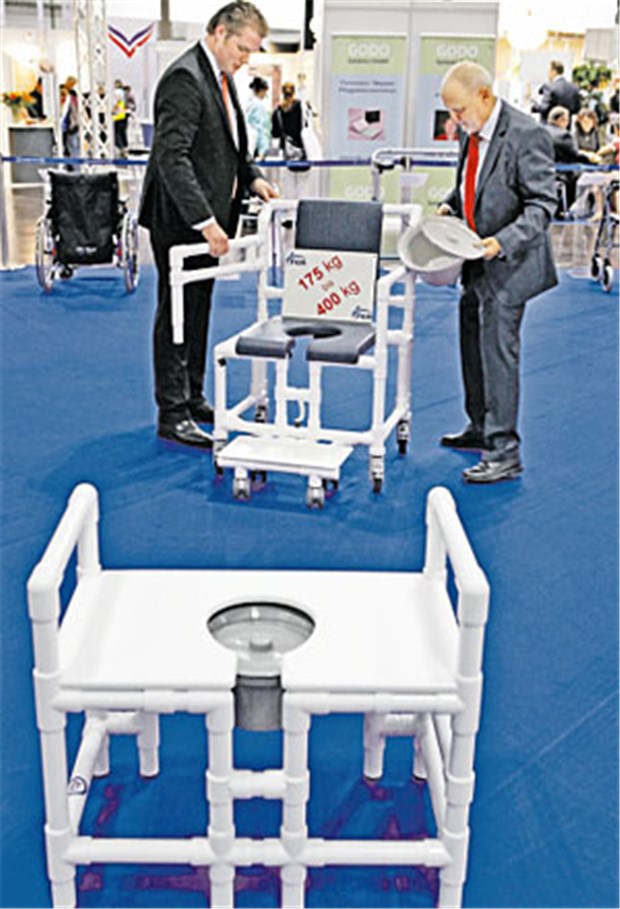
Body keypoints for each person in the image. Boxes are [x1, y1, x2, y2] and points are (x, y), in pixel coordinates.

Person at [138, 1, 278, 448]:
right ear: (219, 32)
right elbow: (172, 158)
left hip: (208, 221)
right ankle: (172, 412)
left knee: (198, 309)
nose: (246, 59)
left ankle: (192, 395)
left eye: (251, 51)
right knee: (177, 314)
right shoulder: (185, 78)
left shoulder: (219, 76)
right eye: (242, 48)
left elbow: (232, 147)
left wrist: (253, 178)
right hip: (181, 221)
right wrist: (205, 221)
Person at [437, 61, 558, 483]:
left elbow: (542, 206)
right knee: (471, 344)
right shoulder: (471, 132)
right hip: (474, 259)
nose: (455, 121)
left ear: (485, 96)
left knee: (497, 353)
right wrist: (450, 204)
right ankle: (480, 427)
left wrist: (502, 242)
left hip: (509, 265)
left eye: (459, 111)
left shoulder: (527, 134)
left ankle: (505, 451)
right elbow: (471, 184)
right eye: (451, 112)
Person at [271, 82, 304, 158]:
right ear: (294, 92)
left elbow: (275, 133)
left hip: (285, 147)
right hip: (299, 146)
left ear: (282, 93)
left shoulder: (278, 111)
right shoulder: (300, 107)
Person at [244, 75, 271, 158]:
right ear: (262, 90)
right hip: (257, 147)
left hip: (248, 145)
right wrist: (262, 151)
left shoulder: (248, 103)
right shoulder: (259, 106)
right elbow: (261, 129)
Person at [112, 79, 128, 157]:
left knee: (117, 134)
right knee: (122, 133)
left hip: (117, 116)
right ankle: (124, 147)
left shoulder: (116, 92)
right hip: (123, 115)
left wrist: (112, 110)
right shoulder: (124, 93)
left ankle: (121, 148)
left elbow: (116, 103)